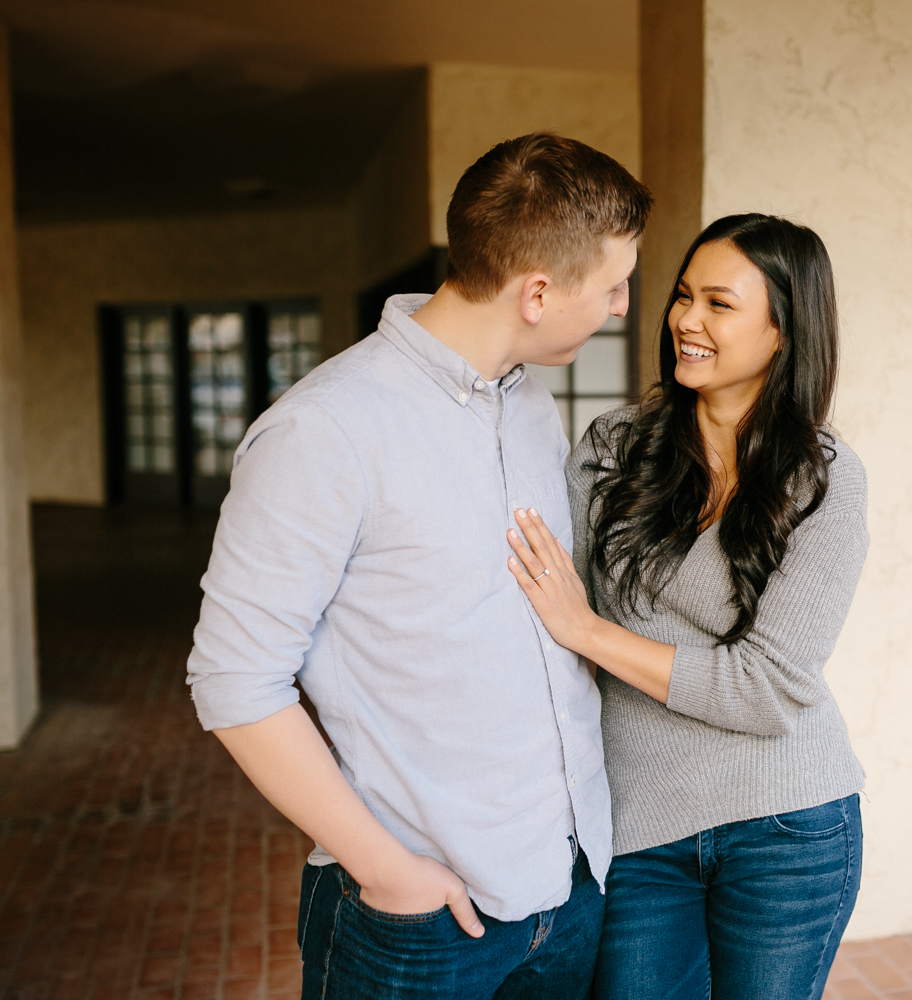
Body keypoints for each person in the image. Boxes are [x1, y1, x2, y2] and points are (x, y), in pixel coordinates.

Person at [184, 132, 652, 999]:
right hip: (420, 917)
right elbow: (233, 680)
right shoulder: (323, 431)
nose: (624, 306)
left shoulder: (530, 404)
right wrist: (390, 873)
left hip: (569, 888)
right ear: (538, 292)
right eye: (614, 283)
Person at [504, 213, 868, 1000]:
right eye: (680, 296)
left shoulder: (825, 479)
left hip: (789, 825)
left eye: (718, 303)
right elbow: (542, 607)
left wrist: (590, 631)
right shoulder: (613, 448)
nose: (685, 320)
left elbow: (769, 689)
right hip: (640, 826)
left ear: (782, 331)